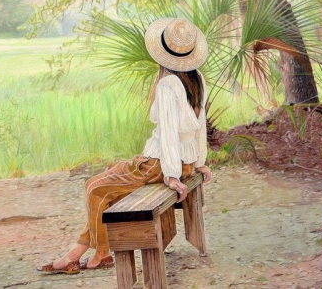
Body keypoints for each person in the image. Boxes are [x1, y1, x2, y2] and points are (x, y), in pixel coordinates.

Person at [37, 17, 213, 274]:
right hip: (181, 162)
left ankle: (100, 253)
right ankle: (77, 254)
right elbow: (200, 126)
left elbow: (167, 135)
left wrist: (172, 176)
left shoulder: (167, 85)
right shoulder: (197, 78)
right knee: (106, 185)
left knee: (95, 188)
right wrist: (198, 163)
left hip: (159, 165)